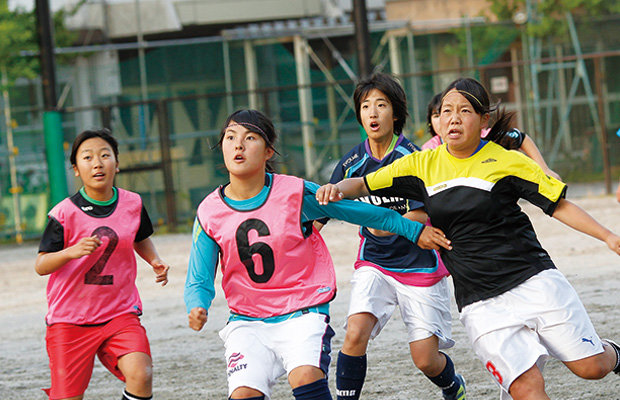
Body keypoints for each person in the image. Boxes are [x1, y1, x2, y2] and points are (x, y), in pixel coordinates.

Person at [316, 77, 620, 400]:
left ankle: (614, 354)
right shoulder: (422, 164)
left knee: (592, 367)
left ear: (483, 120)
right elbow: (362, 184)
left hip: (533, 280)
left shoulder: (506, 161)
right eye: (446, 111)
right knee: (526, 389)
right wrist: (336, 190)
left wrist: (608, 237)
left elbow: (559, 206)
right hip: (479, 302)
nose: (453, 118)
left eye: (464, 111)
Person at [184, 109, 450, 400]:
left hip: (302, 313)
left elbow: (358, 211)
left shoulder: (294, 194)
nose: (238, 145)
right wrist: (197, 304)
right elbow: (199, 275)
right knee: (243, 395)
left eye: (250, 138)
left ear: (268, 151)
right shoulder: (209, 211)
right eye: (230, 137)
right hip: (246, 321)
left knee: (306, 378)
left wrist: (413, 230)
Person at [315, 73, 466, 400]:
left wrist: (375, 220)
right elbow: (321, 215)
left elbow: (417, 217)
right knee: (354, 333)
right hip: (375, 262)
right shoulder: (352, 162)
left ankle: (453, 386)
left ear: (395, 113)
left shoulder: (412, 159)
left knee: (425, 360)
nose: (372, 112)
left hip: (419, 267)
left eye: (381, 105)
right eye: (365, 106)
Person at [35, 129, 170, 400]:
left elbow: (139, 237)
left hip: (119, 313)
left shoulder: (132, 203)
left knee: (141, 374)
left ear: (116, 164)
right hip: (70, 320)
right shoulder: (63, 213)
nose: (97, 162)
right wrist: (70, 252)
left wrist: (154, 260)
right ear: (76, 169)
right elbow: (41, 264)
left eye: (105, 155)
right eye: (87, 157)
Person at [422, 92, 562, 181]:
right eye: (439, 114)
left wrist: (544, 169)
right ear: (430, 121)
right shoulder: (429, 150)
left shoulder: (484, 137)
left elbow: (520, 138)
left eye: (463, 111)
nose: (452, 118)